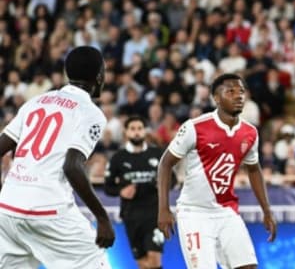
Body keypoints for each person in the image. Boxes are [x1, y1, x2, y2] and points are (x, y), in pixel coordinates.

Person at [0, 46, 114, 267]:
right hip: (47, 209)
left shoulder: (35, 102)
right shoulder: (90, 113)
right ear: (100, 76)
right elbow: (71, 166)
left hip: (7, 207)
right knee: (94, 260)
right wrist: (102, 217)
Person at [157, 73, 277, 269]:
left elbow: (254, 170)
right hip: (194, 213)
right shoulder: (195, 127)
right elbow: (165, 164)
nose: (238, 96)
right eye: (230, 91)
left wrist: (267, 210)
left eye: (241, 91)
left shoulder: (250, 132)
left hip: (227, 211)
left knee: (248, 266)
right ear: (216, 98)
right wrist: (163, 208)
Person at [104, 115, 165, 269]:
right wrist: (121, 191)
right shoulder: (118, 158)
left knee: (154, 259)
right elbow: (108, 187)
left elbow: (173, 179)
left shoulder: (157, 154)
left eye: (139, 128)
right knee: (142, 262)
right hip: (131, 216)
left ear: (145, 131)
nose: (136, 132)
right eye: (132, 129)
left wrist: (162, 184)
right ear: (126, 132)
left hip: (154, 215)